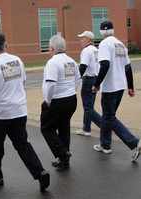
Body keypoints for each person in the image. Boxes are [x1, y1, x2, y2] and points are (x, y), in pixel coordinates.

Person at [0, 32, 50, 191]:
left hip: (0, 113)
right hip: (19, 111)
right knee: (22, 144)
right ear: (6, 44)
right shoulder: (17, 61)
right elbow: (23, 81)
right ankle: (39, 172)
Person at [92, 21, 141, 160]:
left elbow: (105, 64)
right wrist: (130, 86)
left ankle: (134, 142)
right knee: (108, 116)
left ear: (101, 32)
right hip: (120, 86)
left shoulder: (104, 44)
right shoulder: (120, 44)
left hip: (110, 87)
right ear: (113, 30)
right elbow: (128, 67)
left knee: (109, 117)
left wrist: (96, 84)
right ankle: (105, 144)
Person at [40, 35, 81, 169]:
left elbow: (51, 84)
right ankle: (64, 160)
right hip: (71, 98)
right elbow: (78, 79)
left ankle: (62, 153)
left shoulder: (53, 62)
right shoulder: (71, 61)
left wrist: (48, 100)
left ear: (51, 48)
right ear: (65, 47)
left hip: (57, 100)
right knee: (64, 126)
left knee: (47, 128)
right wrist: (70, 91)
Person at [76, 31, 102, 137]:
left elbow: (83, 67)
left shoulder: (86, 51)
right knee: (89, 105)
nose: (80, 40)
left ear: (88, 39)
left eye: (82, 38)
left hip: (88, 80)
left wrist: (76, 79)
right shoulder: (97, 51)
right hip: (96, 79)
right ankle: (86, 128)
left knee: (88, 107)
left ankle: (104, 125)